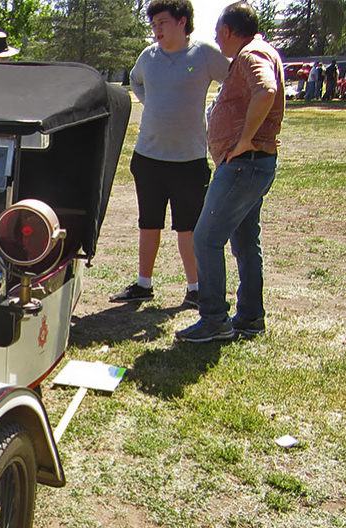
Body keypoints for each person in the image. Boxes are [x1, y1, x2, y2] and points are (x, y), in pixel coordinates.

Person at [176, 1, 284, 342]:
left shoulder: (251, 55)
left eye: (218, 33)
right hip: (252, 165)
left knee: (206, 238)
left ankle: (214, 320)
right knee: (245, 241)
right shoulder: (261, 50)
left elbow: (266, 90)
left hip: (243, 165)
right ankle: (250, 317)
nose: (217, 41)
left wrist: (244, 140)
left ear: (226, 30)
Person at [110, 0, 229, 309]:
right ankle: (143, 285)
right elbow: (135, 80)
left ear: (182, 21)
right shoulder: (148, 57)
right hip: (148, 157)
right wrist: (151, 100)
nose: (156, 30)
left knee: (188, 227)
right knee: (148, 223)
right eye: (153, 25)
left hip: (189, 160)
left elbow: (233, 82)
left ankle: (195, 289)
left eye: (162, 23)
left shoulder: (203, 54)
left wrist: (216, 113)